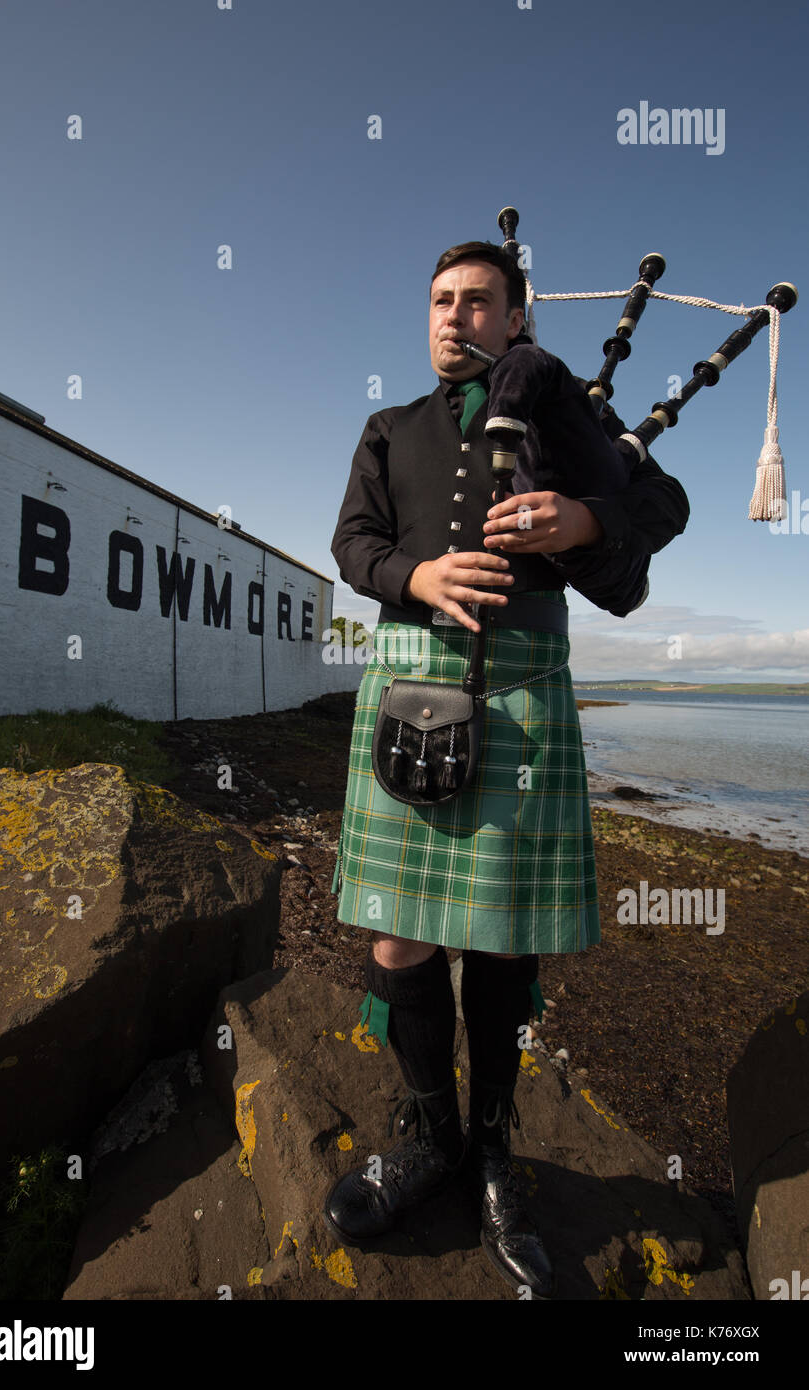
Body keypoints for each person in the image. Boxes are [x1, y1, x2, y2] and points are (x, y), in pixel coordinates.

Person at [324, 240, 689, 1298]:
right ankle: (429, 1135)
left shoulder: (566, 412)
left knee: (496, 935)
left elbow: (661, 504)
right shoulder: (387, 429)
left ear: (517, 317)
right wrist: (416, 573)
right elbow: (350, 544)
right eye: (439, 300)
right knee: (398, 926)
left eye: (478, 301)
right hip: (406, 676)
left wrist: (581, 516)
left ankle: (492, 1150)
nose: (453, 317)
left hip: (523, 681)